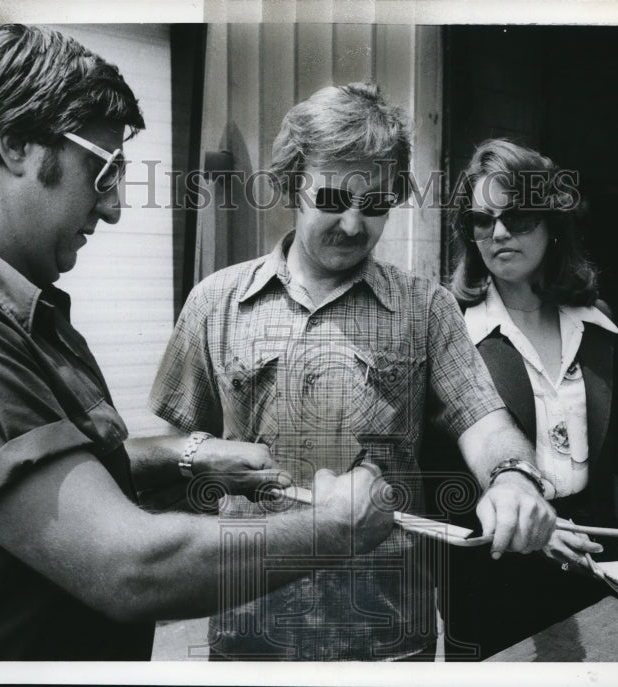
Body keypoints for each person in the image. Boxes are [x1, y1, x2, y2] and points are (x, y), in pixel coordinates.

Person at [0, 24, 395, 661]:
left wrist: (184, 456)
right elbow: (128, 568)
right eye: (101, 170)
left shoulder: (1, 303)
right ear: (15, 142)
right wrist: (335, 528)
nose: (111, 208)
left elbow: (50, 473)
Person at [147, 84, 557, 662]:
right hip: (252, 632)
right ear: (292, 185)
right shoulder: (215, 303)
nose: (353, 224)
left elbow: (484, 423)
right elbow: (175, 448)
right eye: (334, 199)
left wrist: (514, 478)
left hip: (388, 638)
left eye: (376, 206)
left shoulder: (427, 308)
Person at [426, 138, 618, 659]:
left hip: (596, 559)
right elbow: (433, 471)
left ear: (551, 224)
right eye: (480, 219)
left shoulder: (595, 323)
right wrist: (525, 525)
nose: (497, 233)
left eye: (516, 218)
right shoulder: (449, 327)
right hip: (495, 570)